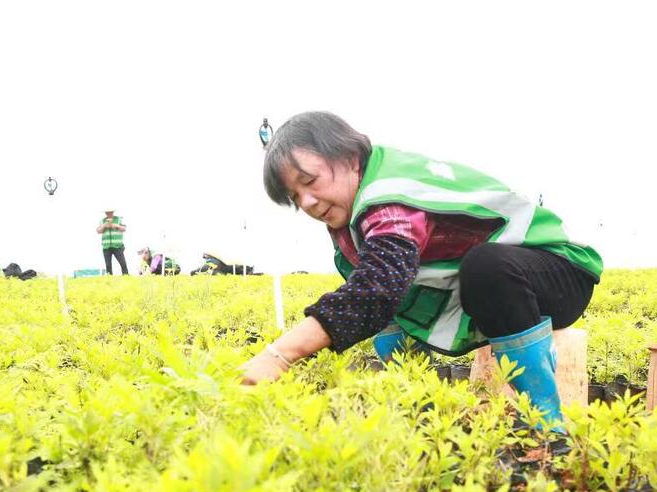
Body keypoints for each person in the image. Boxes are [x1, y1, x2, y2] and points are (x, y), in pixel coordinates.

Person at [240, 111, 603, 431]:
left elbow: (377, 289)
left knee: (481, 267)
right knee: (382, 304)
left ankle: (546, 427)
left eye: (309, 182)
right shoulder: (351, 225)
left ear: (350, 159)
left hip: (558, 273)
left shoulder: (389, 196)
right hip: (496, 291)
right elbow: (381, 305)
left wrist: (281, 354)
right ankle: (424, 417)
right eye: (294, 197)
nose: (307, 202)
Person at [97, 209, 129, 275]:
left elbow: (124, 229)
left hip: (117, 246)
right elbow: (98, 231)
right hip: (106, 247)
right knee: (108, 266)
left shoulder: (119, 219)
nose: (108, 213)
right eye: (107, 212)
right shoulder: (102, 221)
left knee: (123, 263)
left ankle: (126, 276)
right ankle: (110, 279)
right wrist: (104, 226)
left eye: (110, 212)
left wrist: (115, 225)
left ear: (113, 212)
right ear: (105, 213)